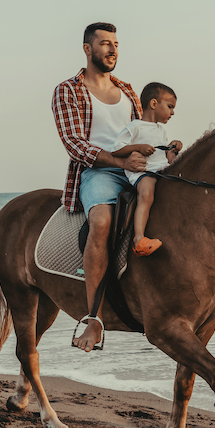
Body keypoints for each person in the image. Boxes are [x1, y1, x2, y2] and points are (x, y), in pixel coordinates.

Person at [52, 22, 146, 353]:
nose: (112, 49)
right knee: (102, 223)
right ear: (87, 49)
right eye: (105, 43)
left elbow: (143, 130)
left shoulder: (129, 90)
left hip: (137, 168)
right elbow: (75, 145)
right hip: (98, 171)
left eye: (116, 44)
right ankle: (94, 319)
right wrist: (120, 163)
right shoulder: (69, 90)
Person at [112, 82, 183, 256]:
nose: (172, 112)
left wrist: (172, 150)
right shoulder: (135, 126)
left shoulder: (161, 130)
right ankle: (139, 239)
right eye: (170, 106)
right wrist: (138, 147)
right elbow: (116, 149)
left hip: (161, 170)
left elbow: (164, 158)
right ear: (153, 104)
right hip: (144, 172)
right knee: (147, 194)